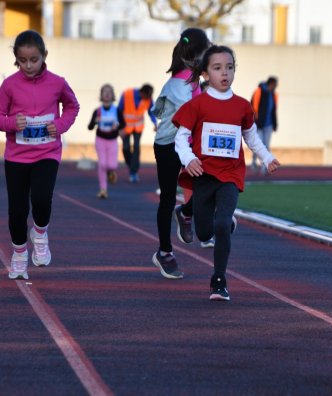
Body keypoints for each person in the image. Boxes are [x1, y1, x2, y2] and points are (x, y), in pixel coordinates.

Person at [174, 45, 280, 301]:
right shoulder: (197, 105)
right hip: (203, 175)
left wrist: (267, 157)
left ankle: (219, 280)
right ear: (205, 74)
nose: (225, 73)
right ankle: (185, 211)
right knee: (204, 234)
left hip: (230, 175)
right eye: (218, 68)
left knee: (222, 225)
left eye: (229, 67)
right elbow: (181, 138)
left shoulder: (242, 106)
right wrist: (189, 159)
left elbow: (251, 138)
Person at [0, 30, 80, 280]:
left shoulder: (58, 83)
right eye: (23, 60)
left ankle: (40, 233)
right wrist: (11, 123)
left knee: (41, 199)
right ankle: (19, 255)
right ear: (16, 60)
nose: (28, 65)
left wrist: (59, 125)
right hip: (17, 156)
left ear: (44, 57)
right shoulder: (9, 85)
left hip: (47, 152)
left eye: (34, 60)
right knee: (17, 210)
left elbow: (73, 106)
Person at [150, 28, 211, 280]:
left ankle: (186, 212)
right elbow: (192, 113)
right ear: (197, 55)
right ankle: (164, 252)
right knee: (166, 197)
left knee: (209, 184)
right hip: (168, 146)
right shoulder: (178, 83)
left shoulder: (194, 81)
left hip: (188, 143)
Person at [88, 83, 122, 198]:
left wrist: (117, 127)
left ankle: (111, 172)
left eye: (109, 92)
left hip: (112, 140)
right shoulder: (97, 111)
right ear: (101, 95)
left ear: (113, 95)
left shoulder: (116, 110)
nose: (107, 94)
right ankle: (103, 189)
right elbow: (90, 127)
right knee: (102, 164)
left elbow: (124, 124)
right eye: (105, 92)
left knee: (112, 165)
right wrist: (95, 121)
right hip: (100, 140)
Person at [118, 84, 157, 183]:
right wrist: (119, 128)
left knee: (136, 147)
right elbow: (119, 111)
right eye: (147, 96)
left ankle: (133, 172)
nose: (148, 99)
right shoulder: (127, 94)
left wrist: (155, 123)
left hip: (138, 127)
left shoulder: (148, 99)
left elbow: (151, 112)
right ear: (142, 92)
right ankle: (132, 165)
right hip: (126, 127)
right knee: (125, 148)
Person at [250, 76, 278, 173]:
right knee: (259, 144)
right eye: (275, 85)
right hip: (259, 124)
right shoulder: (259, 91)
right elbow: (253, 107)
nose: (275, 87)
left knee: (266, 145)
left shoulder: (273, 94)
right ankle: (254, 161)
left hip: (268, 125)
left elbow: (274, 110)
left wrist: (275, 124)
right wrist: (255, 121)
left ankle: (264, 166)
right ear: (270, 84)